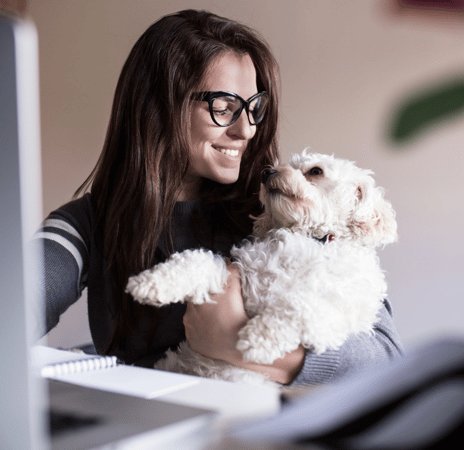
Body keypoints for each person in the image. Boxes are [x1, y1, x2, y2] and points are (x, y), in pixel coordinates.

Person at [35, 9, 403, 385]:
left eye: (254, 108)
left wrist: (234, 342)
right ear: (159, 108)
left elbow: (387, 357)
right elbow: (5, 310)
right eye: (223, 108)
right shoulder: (88, 224)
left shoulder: (279, 213)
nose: (246, 130)